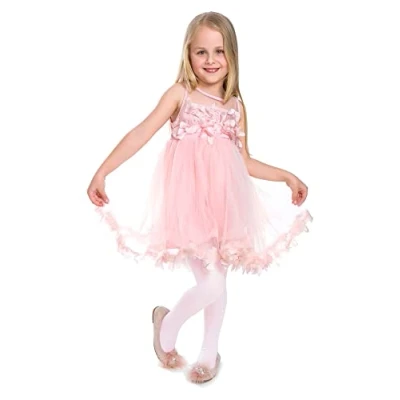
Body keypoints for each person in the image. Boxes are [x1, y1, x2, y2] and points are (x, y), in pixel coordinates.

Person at [87, 11, 312, 384]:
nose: (210, 60)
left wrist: (286, 176)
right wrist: (103, 170)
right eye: (201, 52)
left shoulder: (235, 105)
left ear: (232, 55)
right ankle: (166, 328)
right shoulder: (180, 95)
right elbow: (141, 132)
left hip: (224, 205)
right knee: (212, 284)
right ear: (188, 54)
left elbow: (244, 161)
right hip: (188, 205)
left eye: (219, 51)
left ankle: (209, 352)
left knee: (219, 280)